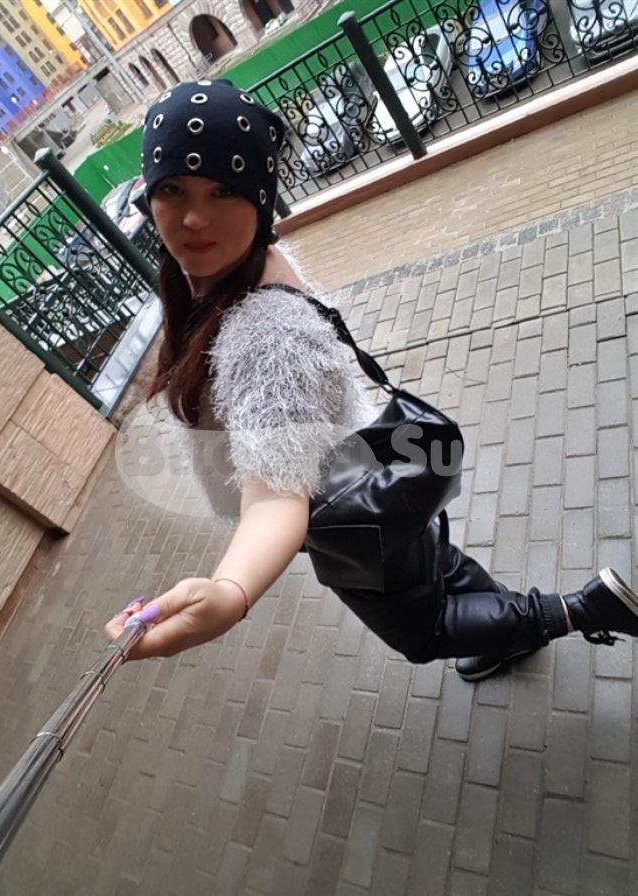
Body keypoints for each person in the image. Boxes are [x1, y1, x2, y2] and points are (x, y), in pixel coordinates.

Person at [105, 79, 638, 682]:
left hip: (343, 507)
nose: (195, 216)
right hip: (365, 471)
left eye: (224, 190)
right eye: (172, 189)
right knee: (432, 562)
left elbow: (278, 496)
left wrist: (231, 591)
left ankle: (580, 610)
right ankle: (506, 632)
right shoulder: (234, 262)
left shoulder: (266, 335)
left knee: (424, 631)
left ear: (258, 196)